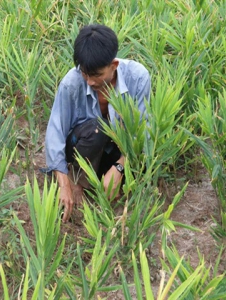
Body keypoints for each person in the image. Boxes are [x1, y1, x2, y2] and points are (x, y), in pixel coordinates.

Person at [44, 24, 151, 222]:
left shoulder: (138, 78)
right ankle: (78, 179)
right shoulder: (71, 83)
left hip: (118, 151)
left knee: (144, 161)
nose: (90, 82)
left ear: (114, 65)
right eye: (85, 74)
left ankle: (108, 180)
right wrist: (65, 184)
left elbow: (143, 132)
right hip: (82, 147)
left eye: (97, 75)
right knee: (97, 129)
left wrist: (120, 168)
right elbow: (55, 134)